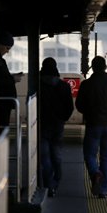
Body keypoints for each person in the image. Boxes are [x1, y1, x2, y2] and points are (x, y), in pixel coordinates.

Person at [75, 56, 107, 199]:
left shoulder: (86, 84)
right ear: (105, 67)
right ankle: (104, 189)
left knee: (90, 154)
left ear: (93, 67)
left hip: (92, 125)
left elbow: (79, 105)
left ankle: (95, 173)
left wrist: (89, 111)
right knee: (106, 156)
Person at [38, 57, 74, 197]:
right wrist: (62, 118)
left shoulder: (38, 85)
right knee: (56, 154)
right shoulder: (64, 86)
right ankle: (57, 179)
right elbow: (69, 107)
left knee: (45, 156)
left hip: (43, 124)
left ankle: (49, 184)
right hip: (58, 125)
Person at [0, 30, 22, 131]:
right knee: (1, 131)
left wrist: (11, 77)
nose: (7, 51)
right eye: (7, 48)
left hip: (2, 103)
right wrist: (13, 79)